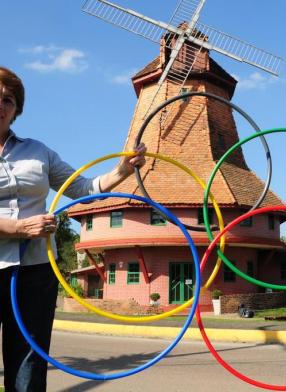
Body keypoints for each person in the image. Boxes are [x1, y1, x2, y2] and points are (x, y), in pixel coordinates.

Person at [0, 66, 146, 391]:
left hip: (35, 272)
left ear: (16, 109)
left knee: (28, 362)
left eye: (7, 100)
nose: (0, 105)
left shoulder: (38, 152)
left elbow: (82, 188)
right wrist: (20, 228)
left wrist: (122, 170)